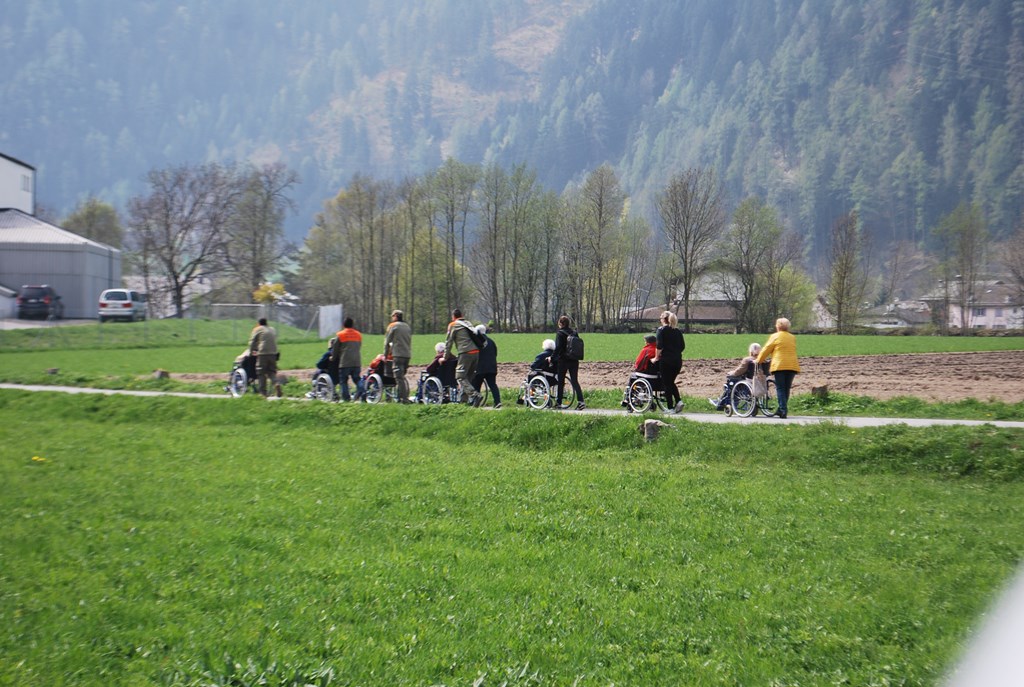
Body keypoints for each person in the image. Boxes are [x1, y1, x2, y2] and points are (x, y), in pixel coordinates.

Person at [756, 317, 800, 419]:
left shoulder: (775, 336)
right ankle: (781, 409)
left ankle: (783, 410)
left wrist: (758, 360)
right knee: (786, 388)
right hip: (792, 365)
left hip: (780, 365)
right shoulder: (792, 337)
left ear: (778, 326)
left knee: (780, 388)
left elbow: (766, 349)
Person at [708, 342, 762, 411]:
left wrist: (731, 373)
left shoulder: (748, 360)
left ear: (750, 351)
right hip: (760, 383)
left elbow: (739, 371)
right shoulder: (762, 360)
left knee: (730, 383)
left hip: (748, 382)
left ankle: (723, 403)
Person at [444, 308, 481, 405]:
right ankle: (463, 401)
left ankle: (474, 395)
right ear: (461, 315)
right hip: (476, 352)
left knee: (460, 377)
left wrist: (445, 357)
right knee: (467, 378)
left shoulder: (453, 325)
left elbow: (448, 342)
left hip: (465, 353)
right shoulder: (468, 323)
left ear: (453, 316)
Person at [651, 310, 685, 413]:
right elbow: (682, 346)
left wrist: (656, 357)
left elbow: (659, 346)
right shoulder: (677, 331)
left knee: (666, 383)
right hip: (677, 361)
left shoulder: (661, 330)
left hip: (666, 361)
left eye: (661, 318)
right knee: (671, 382)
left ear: (664, 319)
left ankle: (670, 408)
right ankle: (678, 401)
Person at [553, 315, 585, 410]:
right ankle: (581, 402)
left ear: (560, 323)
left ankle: (558, 402)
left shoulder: (560, 333)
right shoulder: (574, 333)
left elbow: (558, 347)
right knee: (575, 381)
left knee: (561, 381)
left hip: (563, 360)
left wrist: (552, 357)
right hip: (574, 360)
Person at [331, 316, 363, 402]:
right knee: (357, 379)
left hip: (345, 362)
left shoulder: (340, 335)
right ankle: (361, 388)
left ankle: (346, 399)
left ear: (343, 324)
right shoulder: (358, 334)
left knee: (343, 381)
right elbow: (359, 346)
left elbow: (335, 349)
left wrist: (332, 358)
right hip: (356, 362)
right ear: (352, 325)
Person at [247, 317, 281, 398]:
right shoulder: (272, 329)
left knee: (261, 372)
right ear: (267, 323)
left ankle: (263, 393)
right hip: (273, 352)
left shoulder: (257, 329)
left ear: (259, 323)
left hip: (263, 353)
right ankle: (276, 383)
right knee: (271, 372)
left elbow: (252, 342)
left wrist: (251, 352)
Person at [383, 309, 412, 403]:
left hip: (397, 355)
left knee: (398, 378)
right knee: (401, 377)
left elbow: (387, 342)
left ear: (395, 316)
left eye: (392, 316)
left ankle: (403, 399)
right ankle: (401, 397)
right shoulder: (407, 326)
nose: (392, 318)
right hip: (407, 355)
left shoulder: (392, 326)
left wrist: (385, 355)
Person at [471, 324, 501, 408]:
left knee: (476, 385)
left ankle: (475, 403)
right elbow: (495, 353)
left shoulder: (476, 342)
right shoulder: (491, 341)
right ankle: (497, 402)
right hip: (492, 367)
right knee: (493, 385)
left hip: (480, 367)